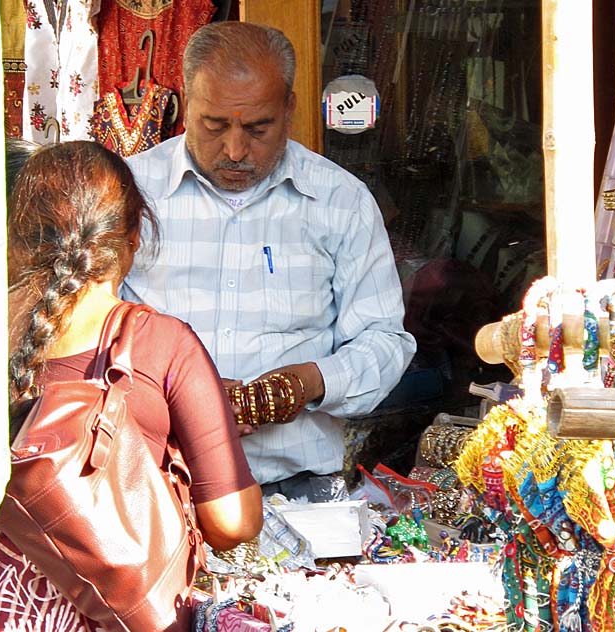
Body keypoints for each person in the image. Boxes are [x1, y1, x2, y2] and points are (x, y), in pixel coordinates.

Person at [0, 140, 262, 631]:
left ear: (16, 237)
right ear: (134, 236)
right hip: (108, 615)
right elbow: (232, 523)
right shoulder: (163, 343)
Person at [122, 21, 417, 497]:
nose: (235, 150)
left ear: (289, 109)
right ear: (187, 103)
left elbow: (384, 340)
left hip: (298, 486)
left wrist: (310, 383)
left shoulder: (340, 201)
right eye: (214, 125)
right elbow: (87, 335)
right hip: (153, 486)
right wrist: (171, 391)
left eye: (258, 128)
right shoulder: (130, 195)